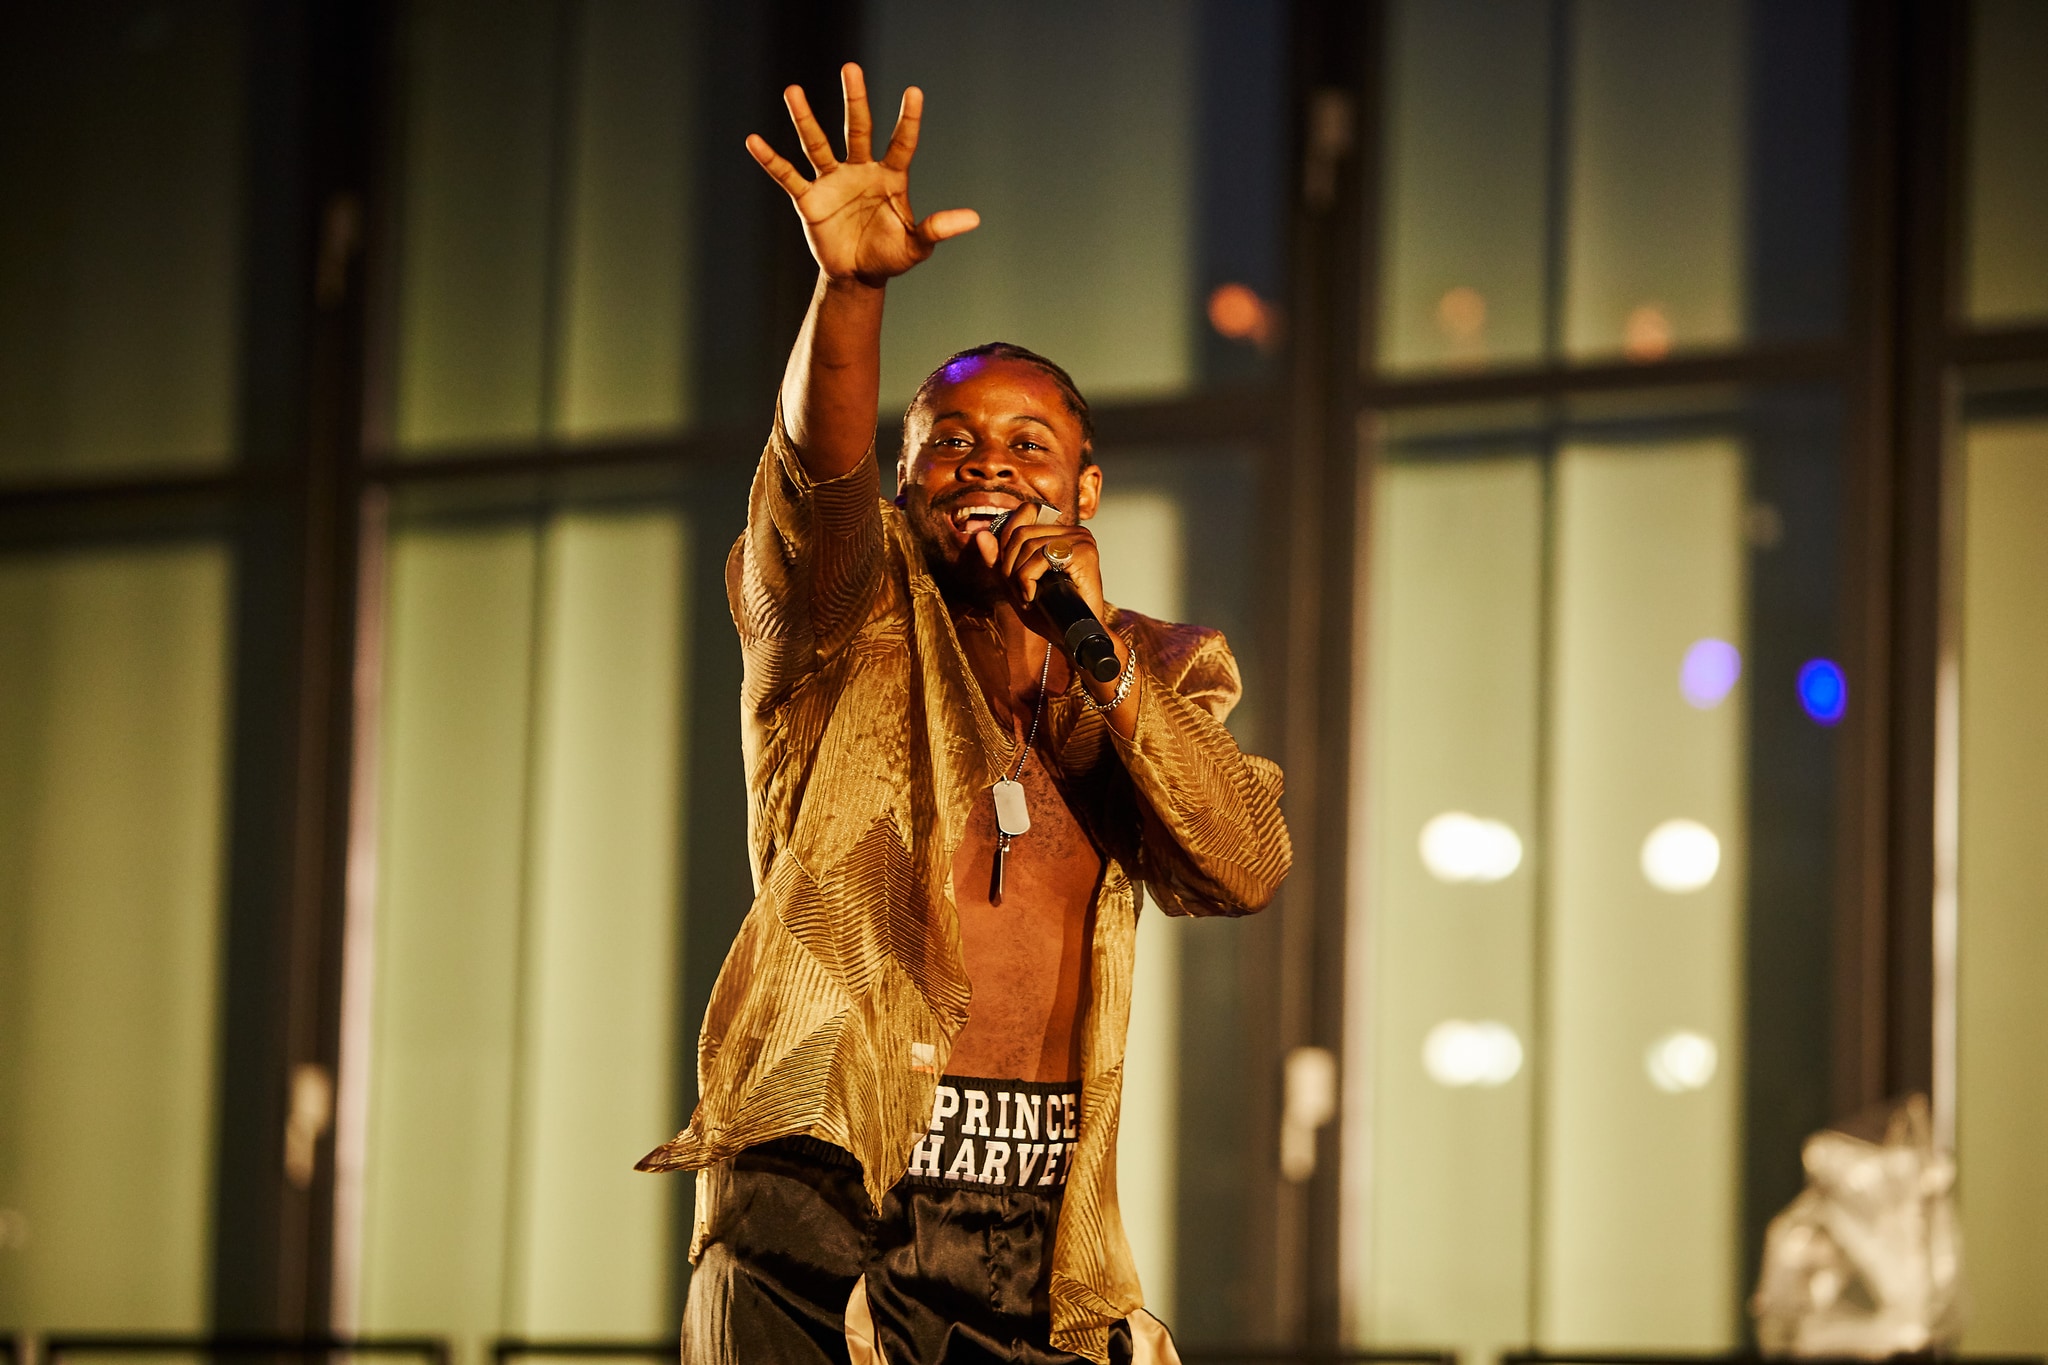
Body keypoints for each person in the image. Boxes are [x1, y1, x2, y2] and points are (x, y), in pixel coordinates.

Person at [637, 63, 1291, 1365]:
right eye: (948, 439)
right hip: (820, 1196)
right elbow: (812, 473)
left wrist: (1102, 661)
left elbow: (1244, 862)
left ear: (1086, 489)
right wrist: (850, 293)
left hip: (1033, 1232)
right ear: (905, 477)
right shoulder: (845, 609)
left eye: (1028, 443)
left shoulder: (1147, 665)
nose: (987, 460)